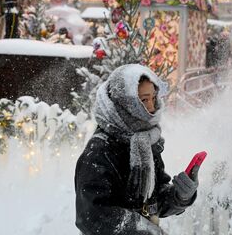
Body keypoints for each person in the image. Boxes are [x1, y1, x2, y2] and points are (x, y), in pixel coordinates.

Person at [75, 64, 199, 234]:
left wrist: (180, 196)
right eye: (143, 100)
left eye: (153, 98)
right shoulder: (99, 151)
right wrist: (143, 229)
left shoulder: (145, 141)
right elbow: (92, 216)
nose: (151, 107)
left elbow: (153, 201)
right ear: (125, 103)